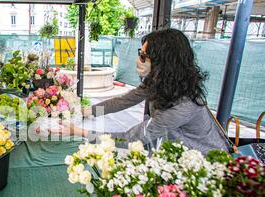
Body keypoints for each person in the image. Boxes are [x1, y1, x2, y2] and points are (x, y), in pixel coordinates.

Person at [53, 28, 230, 155]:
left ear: (165, 63)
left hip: (205, 164)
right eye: (140, 52)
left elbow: (132, 139)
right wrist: (84, 112)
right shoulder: (160, 82)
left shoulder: (183, 106)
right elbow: (124, 101)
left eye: (144, 56)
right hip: (176, 153)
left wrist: (79, 132)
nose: (139, 60)